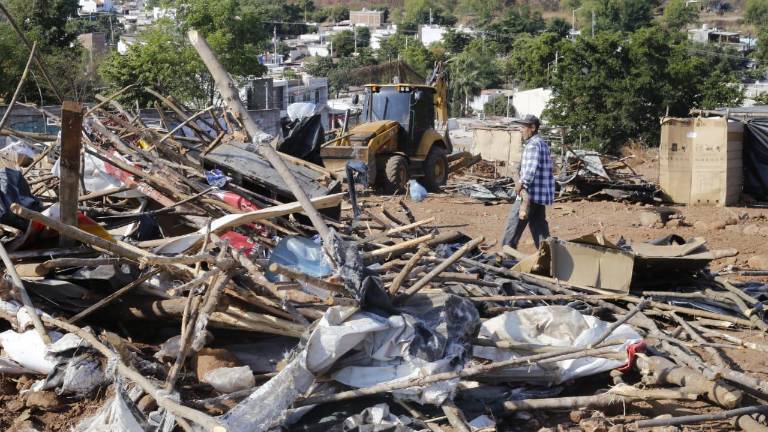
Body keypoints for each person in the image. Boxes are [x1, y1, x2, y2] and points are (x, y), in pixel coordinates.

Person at [501, 114, 555, 250]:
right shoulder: (542, 143)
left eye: (523, 127)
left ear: (533, 128)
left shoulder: (533, 145)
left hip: (529, 194)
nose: (521, 130)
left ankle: (504, 255)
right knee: (540, 229)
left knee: (513, 225)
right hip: (539, 195)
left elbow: (530, 170)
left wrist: (520, 184)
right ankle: (548, 256)